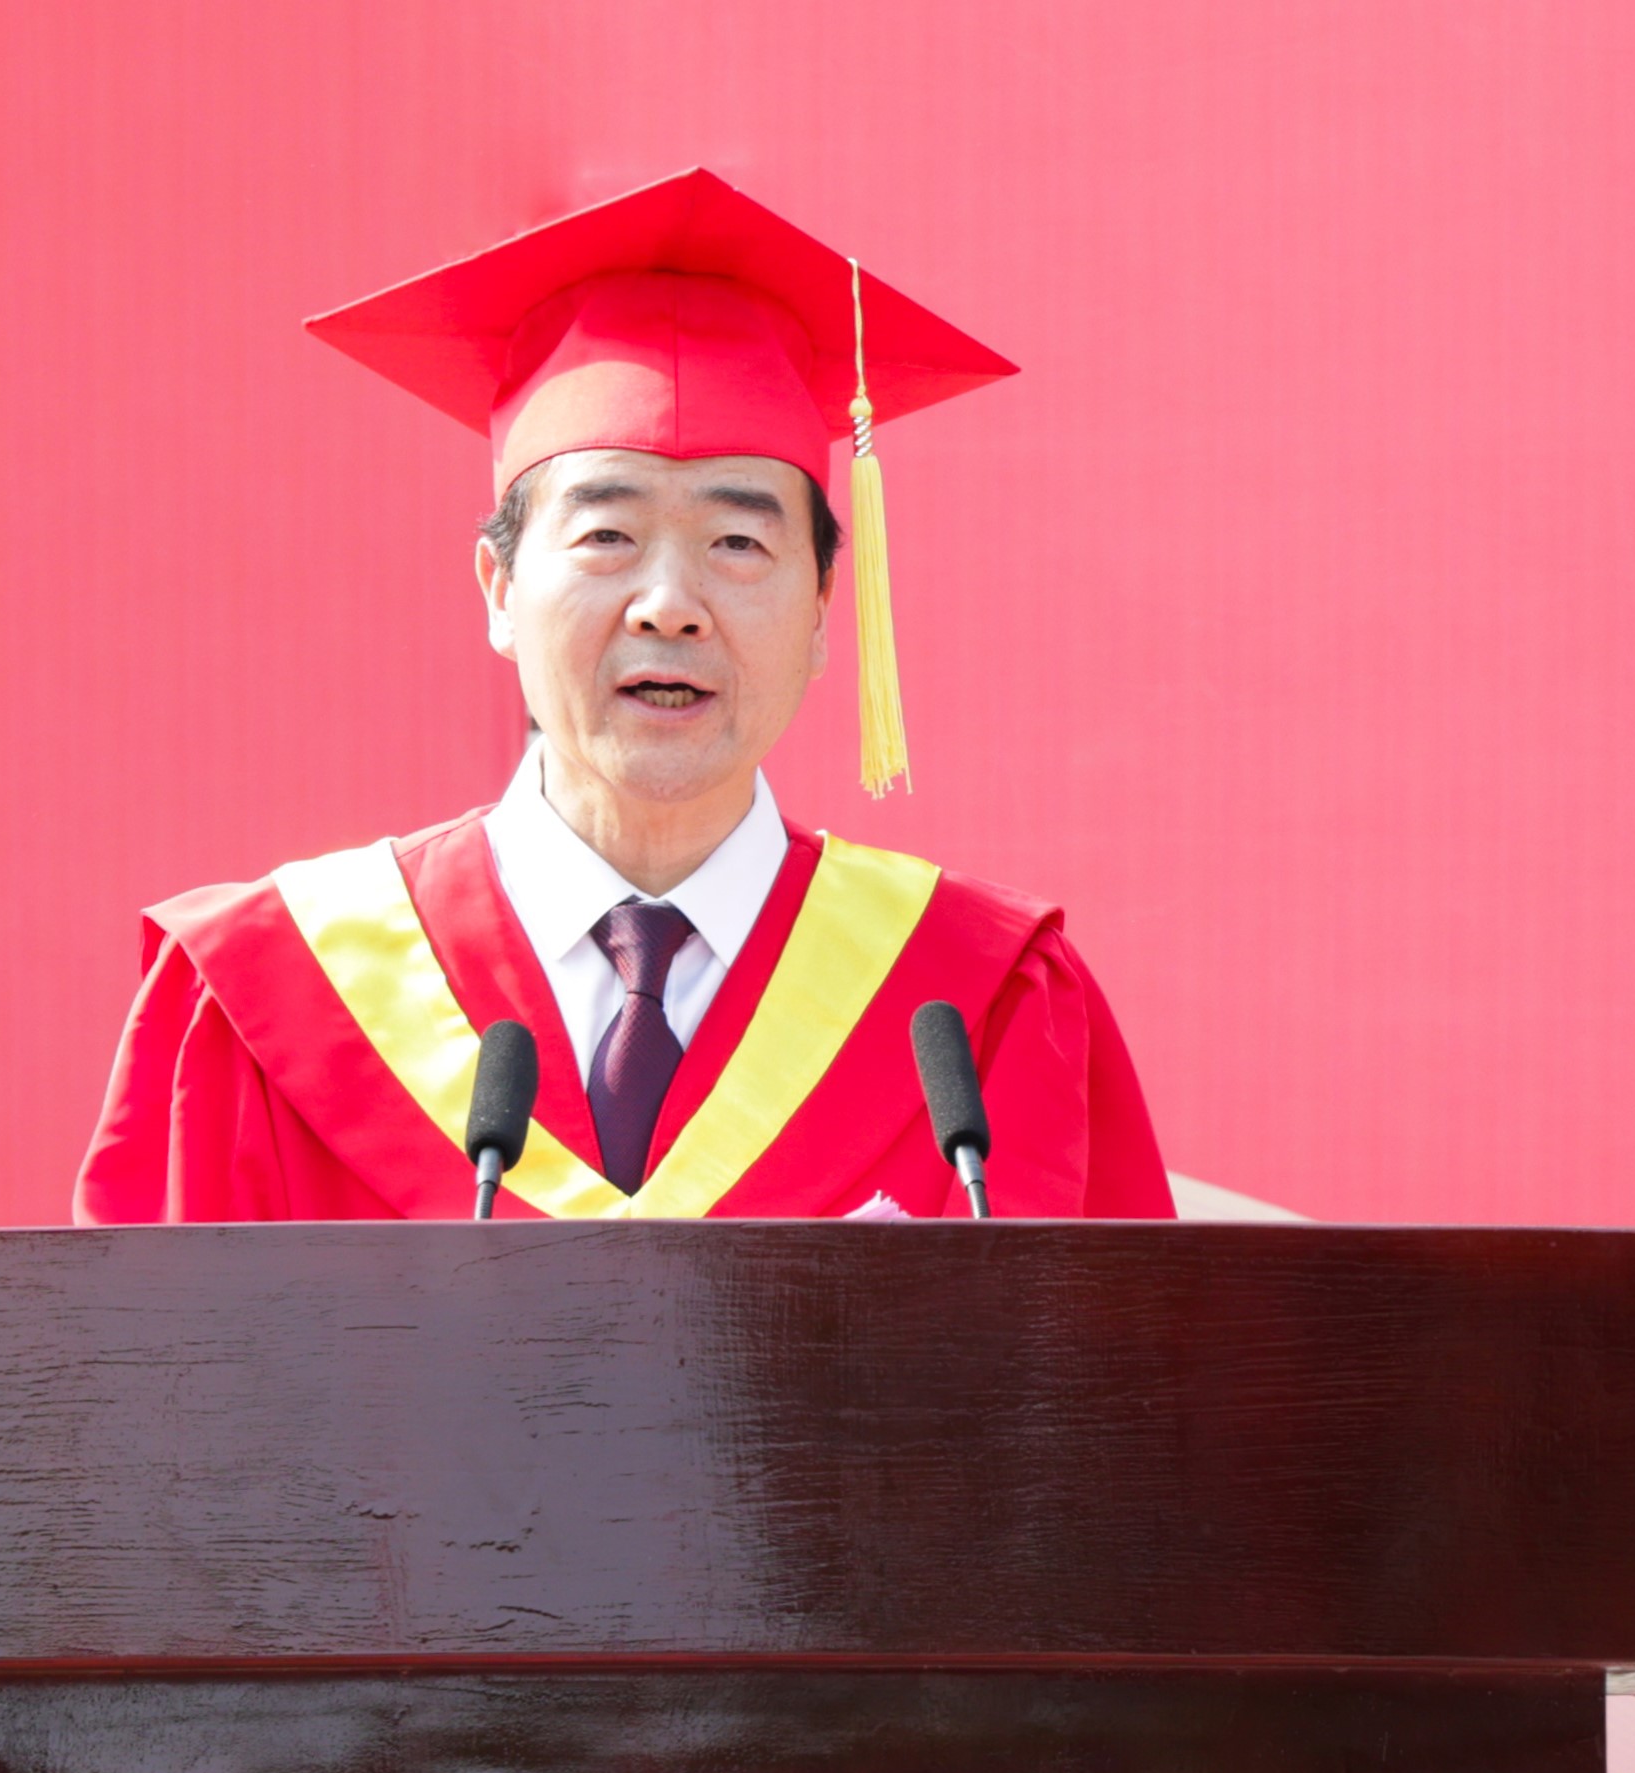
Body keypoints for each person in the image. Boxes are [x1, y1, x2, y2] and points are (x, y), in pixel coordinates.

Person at [72, 172, 1175, 1222]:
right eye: (607, 535)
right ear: (500, 589)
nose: (670, 606)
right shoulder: (269, 1000)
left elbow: (1116, 1354)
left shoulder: (980, 1002)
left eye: (738, 543)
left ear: (823, 610)